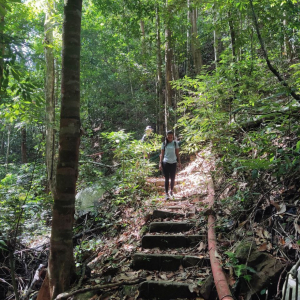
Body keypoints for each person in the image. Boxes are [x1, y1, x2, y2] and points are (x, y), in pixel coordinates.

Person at [159, 130, 181, 199]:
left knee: (173, 178)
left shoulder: (175, 143)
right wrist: (160, 163)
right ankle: (166, 194)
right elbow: (162, 154)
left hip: (173, 162)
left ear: (173, 137)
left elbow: (177, 153)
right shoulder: (164, 144)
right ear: (166, 137)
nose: (170, 138)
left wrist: (179, 162)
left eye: (171, 137)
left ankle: (171, 191)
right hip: (166, 162)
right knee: (167, 178)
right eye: (169, 137)